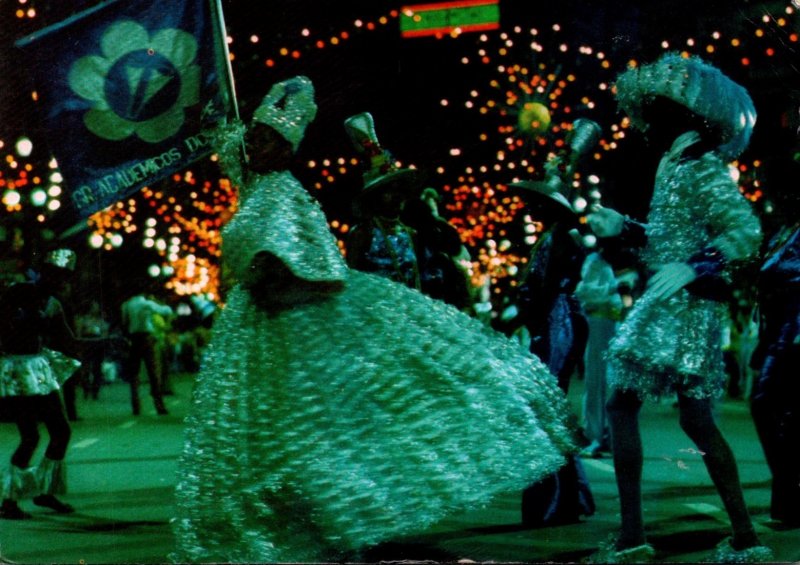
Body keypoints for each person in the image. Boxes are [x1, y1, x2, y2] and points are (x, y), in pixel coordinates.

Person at [173, 76, 577, 563]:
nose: (252, 146)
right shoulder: (260, 190)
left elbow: (315, 269)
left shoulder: (283, 193)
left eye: (263, 139)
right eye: (251, 139)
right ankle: (316, 526)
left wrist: (264, 271)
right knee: (276, 436)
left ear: (285, 149)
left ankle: (347, 522)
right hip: (267, 332)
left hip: (305, 330)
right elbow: (233, 164)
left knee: (315, 430)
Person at [585, 53, 771, 562]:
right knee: (693, 418)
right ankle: (744, 536)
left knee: (625, 405)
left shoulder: (698, 164)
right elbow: (667, 242)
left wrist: (697, 265)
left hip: (679, 307)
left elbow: (745, 230)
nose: (641, 121)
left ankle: (632, 536)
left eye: (653, 111)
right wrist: (624, 227)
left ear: (679, 116)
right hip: (679, 305)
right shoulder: (676, 163)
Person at [0, 249, 83, 519]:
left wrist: (104, 343)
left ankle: (45, 492)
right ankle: (9, 500)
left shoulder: (54, 304)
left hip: (39, 369)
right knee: (30, 437)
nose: (59, 281)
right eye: (55, 275)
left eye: (64, 277)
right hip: (17, 369)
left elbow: (68, 340)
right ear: (43, 272)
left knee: (61, 431)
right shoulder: (17, 292)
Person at [749, 214, 800, 527]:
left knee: (765, 405)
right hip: (776, 329)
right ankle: (788, 498)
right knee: (782, 414)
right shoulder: (784, 229)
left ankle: (790, 495)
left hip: (794, 330)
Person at [120, 288, 173, 415]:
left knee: (134, 373)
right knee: (153, 373)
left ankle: (135, 406)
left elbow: (124, 323)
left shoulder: (126, 305)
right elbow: (166, 310)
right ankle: (159, 405)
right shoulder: (146, 304)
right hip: (147, 339)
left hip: (134, 340)